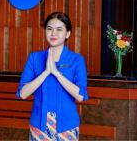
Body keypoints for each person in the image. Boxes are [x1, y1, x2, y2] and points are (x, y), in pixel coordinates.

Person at [16, 12, 88, 141]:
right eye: (49, 29)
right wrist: (45, 72)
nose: (53, 33)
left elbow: (81, 96)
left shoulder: (77, 60)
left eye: (59, 29)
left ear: (68, 34)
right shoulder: (34, 58)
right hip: (39, 125)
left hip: (67, 126)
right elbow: (23, 93)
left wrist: (56, 73)